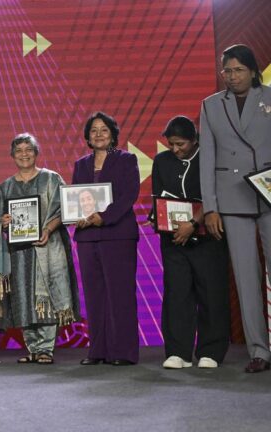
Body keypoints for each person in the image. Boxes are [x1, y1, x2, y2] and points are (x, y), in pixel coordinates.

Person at [200, 44, 271, 373]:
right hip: (232, 199)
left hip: (269, 192)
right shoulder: (211, 105)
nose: (231, 76)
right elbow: (208, 160)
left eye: (238, 70)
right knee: (245, 278)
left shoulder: (269, 98)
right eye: (226, 71)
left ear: (253, 71)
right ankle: (259, 350)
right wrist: (211, 207)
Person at [0, 133, 80, 365]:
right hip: (18, 253)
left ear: (36, 153)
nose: (24, 154)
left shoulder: (51, 179)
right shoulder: (6, 186)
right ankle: (32, 347)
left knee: (46, 295)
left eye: (29, 149)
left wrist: (48, 228)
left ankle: (46, 348)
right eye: (19, 150)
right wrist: (3, 222)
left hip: (47, 247)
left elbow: (64, 211)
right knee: (23, 297)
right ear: (12, 156)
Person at [151, 116, 230, 370]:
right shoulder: (161, 161)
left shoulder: (210, 158)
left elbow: (216, 194)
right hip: (174, 240)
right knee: (177, 294)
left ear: (195, 141)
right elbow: (159, 196)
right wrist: (158, 218)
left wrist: (193, 224)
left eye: (180, 144)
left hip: (208, 238)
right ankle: (178, 352)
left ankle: (211, 350)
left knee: (211, 293)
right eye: (171, 144)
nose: (175, 149)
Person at [72, 111, 140, 366]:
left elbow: (129, 195)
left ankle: (123, 352)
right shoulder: (81, 165)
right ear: (87, 137)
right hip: (88, 239)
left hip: (118, 235)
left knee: (120, 294)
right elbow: (76, 199)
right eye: (93, 131)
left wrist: (105, 216)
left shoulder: (126, 159)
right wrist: (77, 216)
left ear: (112, 134)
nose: (98, 134)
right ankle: (97, 351)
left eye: (103, 130)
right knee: (94, 295)